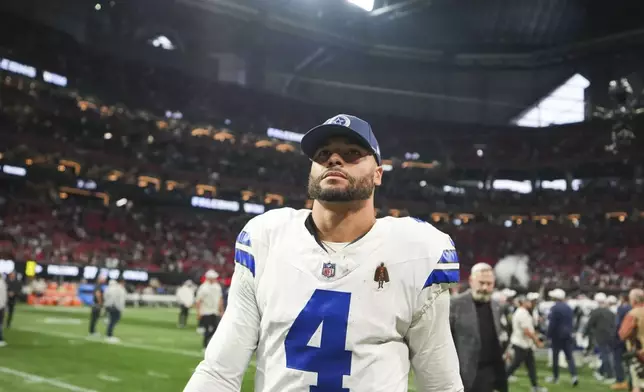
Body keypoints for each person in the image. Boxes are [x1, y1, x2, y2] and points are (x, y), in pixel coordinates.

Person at [183, 114, 463, 392]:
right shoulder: (266, 238)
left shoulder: (416, 251)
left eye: (352, 153)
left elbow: (441, 385)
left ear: (378, 174)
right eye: (323, 154)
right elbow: (220, 371)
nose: (334, 159)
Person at [450, 263, 507, 392]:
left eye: (489, 283)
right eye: (481, 283)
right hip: (463, 375)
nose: (485, 288)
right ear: (471, 281)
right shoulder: (455, 304)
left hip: (489, 374)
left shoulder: (496, 306)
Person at [506, 296, 546, 392]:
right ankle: (499, 380)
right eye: (529, 301)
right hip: (521, 344)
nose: (531, 303)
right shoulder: (522, 313)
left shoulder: (522, 312)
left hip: (524, 344)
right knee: (515, 365)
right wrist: (537, 341)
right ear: (524, 302)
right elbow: (527, 331)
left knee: (530, 365)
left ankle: (535, 386)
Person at [545, 288, 578, 386]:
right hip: (567, 334)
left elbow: (552, 324)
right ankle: (574, 376)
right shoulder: (568, 307)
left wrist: (548, 335)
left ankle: (556, 377)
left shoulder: (554, 308)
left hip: (557, 335)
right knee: (569, 357)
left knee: (555, 357)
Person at [586, 292, 617, 382]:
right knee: (608, 355)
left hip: (601, 336)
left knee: (605, 355)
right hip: (611, 335)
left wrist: (586, 334)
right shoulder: (611, 312)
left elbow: (590, 324)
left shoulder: (596, 312)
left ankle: (610, 375)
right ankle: (600, 372)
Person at [618, 288, 644, 392]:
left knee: (637, 384)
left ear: (634, 300)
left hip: (639, 353)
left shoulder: (633, 314)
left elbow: (623, 334)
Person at [195, 271, 223, 349]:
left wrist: (221, 310)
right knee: (207, 329)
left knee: (216, 329)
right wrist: (199, 312)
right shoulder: (203, 288)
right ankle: (205, 345)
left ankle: (211, 344)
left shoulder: (217, 287)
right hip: (206, 312)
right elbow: (198, 301)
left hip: (215, 311)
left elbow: (220, 299)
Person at [613, 293, 633, 391]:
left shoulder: (621, 309)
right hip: (631, 338)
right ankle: (632, 381)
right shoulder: (633, 308)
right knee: (631, 361)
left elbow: (617, 324)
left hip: (620, 337)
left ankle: (620, 381)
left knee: (617, 360)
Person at [103, 278, 126, 343]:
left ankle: (109, 334)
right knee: (114, 320)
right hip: (114, 306)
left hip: (109, 306)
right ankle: (109, 335)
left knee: (112, 320)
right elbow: (119, 299)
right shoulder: (118, 289)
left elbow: (105, 297)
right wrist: (120, 307)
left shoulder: (108, 288)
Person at [0, 275, 7, 347]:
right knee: (0, 324)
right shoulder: (3, 283)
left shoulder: (2, 283)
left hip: (1, 305)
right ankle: (0, 339)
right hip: (1, 306)